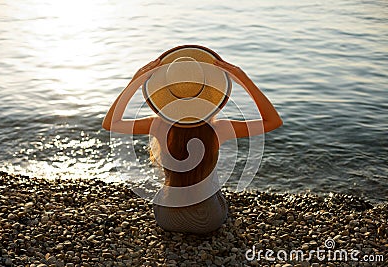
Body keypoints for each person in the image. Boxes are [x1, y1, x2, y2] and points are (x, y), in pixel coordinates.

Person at [102, 45, 282, 234]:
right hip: (208, 220)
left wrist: (135, 81)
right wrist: (243, 79)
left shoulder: (157, 125)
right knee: (216, 195)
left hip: (166, 218)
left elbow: (110, 123)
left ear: (166, 95)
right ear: (211, 97)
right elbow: (273, 121)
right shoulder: (219, 129)